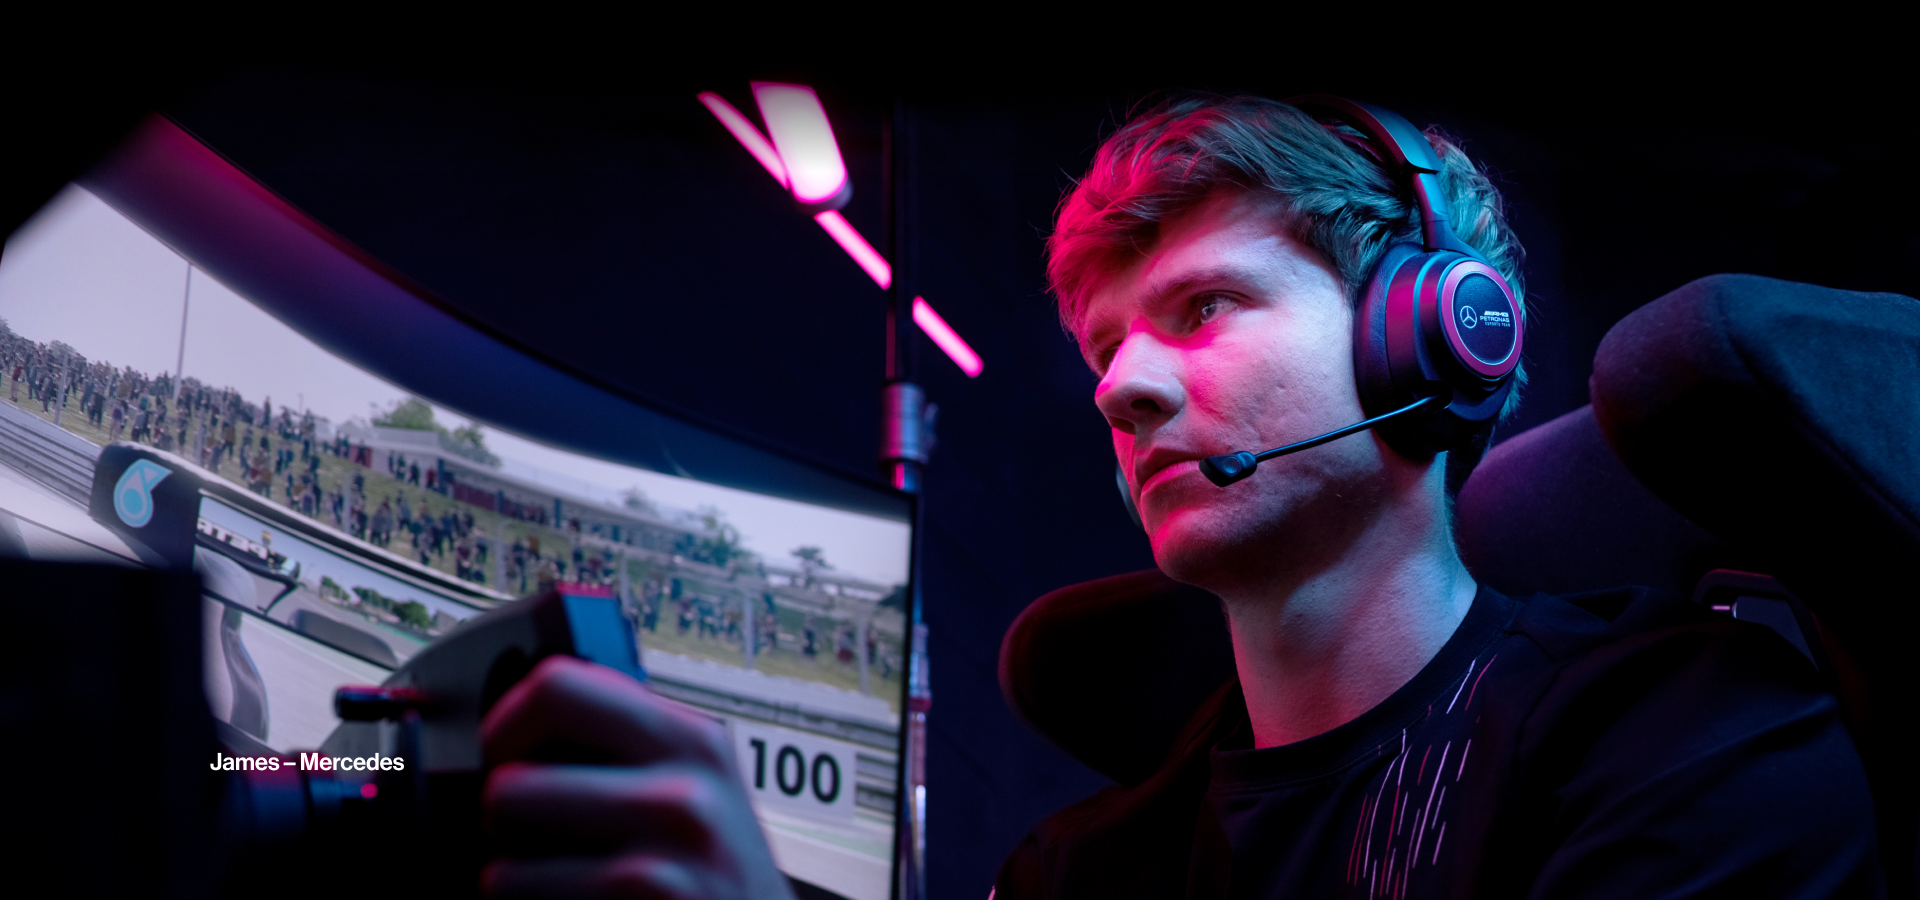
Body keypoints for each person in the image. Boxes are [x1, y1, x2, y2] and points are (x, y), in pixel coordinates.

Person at [474, 94, 1881, 899]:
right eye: (1104, 347)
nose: (1122, 388)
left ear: (1431, 334)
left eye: (1204, 307)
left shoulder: (1688, 735)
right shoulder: (1078, 873)